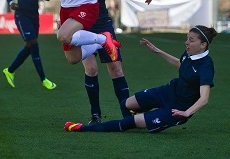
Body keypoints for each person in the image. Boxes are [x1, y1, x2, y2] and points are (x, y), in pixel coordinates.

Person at [65, 25, 218, 133]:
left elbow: (204, 98)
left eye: (191, 40)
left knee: (129, 122)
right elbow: (181, 64)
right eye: (187, 38)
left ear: (203, 45)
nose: (186, 42)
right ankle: (144, 118)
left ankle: (83, 128)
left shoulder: (206, 66)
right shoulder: (189, 54)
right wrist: (157, 51)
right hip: (169, 91)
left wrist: (187, 113)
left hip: (178, 108)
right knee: (126, 104)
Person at [81, 0, 131, 125]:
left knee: (116, 69)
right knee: (91, 69)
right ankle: (95, 115)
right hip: (82, 24)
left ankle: (127, 115)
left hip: (103, 24)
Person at [3, 0, 57, 90]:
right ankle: (43, 79)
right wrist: (11, 3)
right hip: (21, 16)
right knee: (33, 43)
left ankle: (10, 71)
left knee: (29, 46)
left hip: (34, 16)